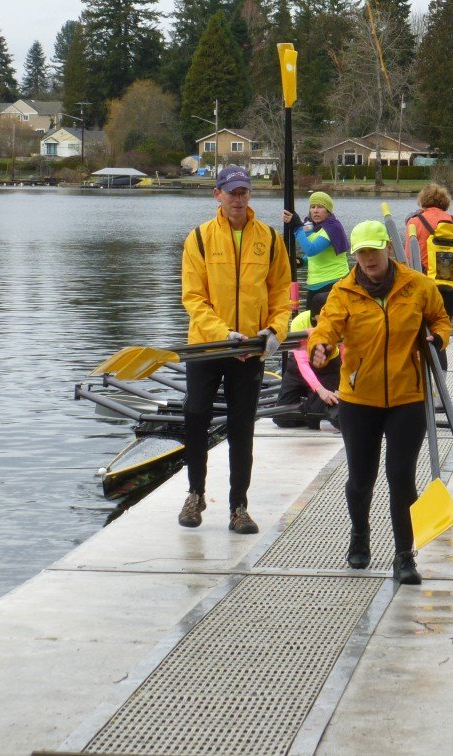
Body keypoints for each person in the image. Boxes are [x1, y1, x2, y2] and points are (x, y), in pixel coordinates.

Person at [308, 220, 452, 585]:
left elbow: (440, 317)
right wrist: (320, 348)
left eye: (374, 250)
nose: (369, 258)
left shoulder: (417, 285)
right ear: (354, 255)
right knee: (361, 477)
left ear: (389, 247)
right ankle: (360, 536)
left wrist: (438, 338)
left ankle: (405, 555)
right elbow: (327, 328)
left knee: (401, 477)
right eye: (361, 252)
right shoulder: (342, 292)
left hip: (407, 396)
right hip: (359, 398)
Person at [178, 165, 292, 534]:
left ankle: (238, 506)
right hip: (208, 346)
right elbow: (193, 298)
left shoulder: (271, 239)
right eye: (231, 193)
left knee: (242, 427)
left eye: (244, 192)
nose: (238, 199)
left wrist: (275, 330)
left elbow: (281, 294)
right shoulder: (198, 239)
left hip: (251, 348)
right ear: (218, 195)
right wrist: (224, 334)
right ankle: (195, 495)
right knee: (196, 416)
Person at [405, 183, 453, 373]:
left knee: (421, 336)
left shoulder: (414, 222)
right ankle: (441, 388)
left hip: (424, 287)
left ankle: (424, 387)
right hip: (449, 288)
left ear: (423, 200)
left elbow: (407, 258)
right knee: (440, 337)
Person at [272, 290, 341, 430]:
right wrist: (320, 390)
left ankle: (319, 409)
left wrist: (343, 386)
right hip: (299, 366)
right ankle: (314, 407)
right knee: (282, 419)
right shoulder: (299, 322)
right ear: (315, 316)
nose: (329, 319)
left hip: (328, 368)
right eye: (325, 315)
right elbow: (302, 362)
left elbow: (346, 353)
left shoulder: (339, 321)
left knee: (313, 418)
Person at [282, 191, 350, 310]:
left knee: (325, 326)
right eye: (313, 207)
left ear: (328, 211)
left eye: (320, 207)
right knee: (311, 326)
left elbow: (311, 250)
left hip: (333, 283)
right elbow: (316, 254)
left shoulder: (333, 227)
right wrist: (301, 261)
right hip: (313, 285)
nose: (315, 210)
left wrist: (297, 228)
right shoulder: (311, 226)